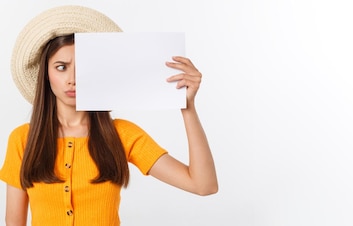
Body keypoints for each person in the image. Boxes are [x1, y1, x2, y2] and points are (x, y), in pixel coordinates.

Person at [0, 5, 218, 226]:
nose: (72, 79)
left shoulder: (122, 135)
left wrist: (187, 106)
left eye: (82, 67)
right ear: (46, 74)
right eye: (61, 67)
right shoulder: (22, 140)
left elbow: (203, 185)